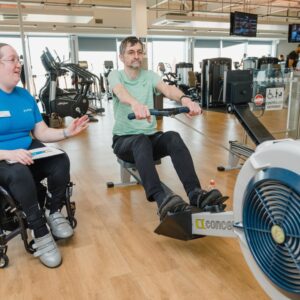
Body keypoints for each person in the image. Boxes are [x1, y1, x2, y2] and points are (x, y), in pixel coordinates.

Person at [108, 36, 227, 221]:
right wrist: (135, 104)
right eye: (131, 52)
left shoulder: (149, 76)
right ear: (122, 56)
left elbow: (168, 89)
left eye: (139, 52)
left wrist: (185, 99)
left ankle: (195, 193)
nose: (136, 56)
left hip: (149, 139)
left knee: (172, 136)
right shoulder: (116, 75)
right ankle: (161, 198)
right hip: (124, 141)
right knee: (140, 141)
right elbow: (121, 93)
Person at [0, 43, 89, 268]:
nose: (18, 64)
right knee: (19, 173)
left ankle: (52, 211)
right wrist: (10, 153)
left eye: (18, 59)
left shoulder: (25, 96)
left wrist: (67, 132)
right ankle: (40, 232)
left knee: (60, 159)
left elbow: (40, 132)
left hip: (27, 152)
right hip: (3, 159)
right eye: (12, 60)